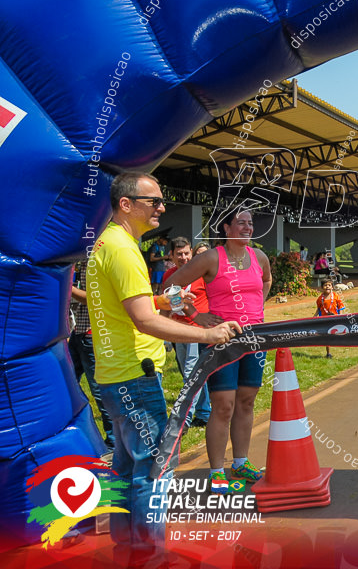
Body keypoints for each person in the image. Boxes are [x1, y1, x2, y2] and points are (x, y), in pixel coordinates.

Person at [88, 173, 241, 566]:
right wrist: (209, 335)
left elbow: (134, 305)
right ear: (126, 204)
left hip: (113, 376)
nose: (161, 207)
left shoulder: (108, 243)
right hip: (135, 378)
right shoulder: (123, 249)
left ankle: (130, 551)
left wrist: (165, 300)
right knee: (155, 470)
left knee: (126, 471)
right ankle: (152, 556)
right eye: (153, 201)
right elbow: (144, 321)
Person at [165, 208, 272, 490]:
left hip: (254, 340)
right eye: (241, 223)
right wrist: (194, 316)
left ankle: (240, 462)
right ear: (226, 227)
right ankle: (216, 471)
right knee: (223, 406)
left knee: (247, 402)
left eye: (250, 223)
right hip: (221, 343)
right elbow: (169, 287)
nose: (248, 228)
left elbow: (267, 281)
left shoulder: (259, 257)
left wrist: (257, 309)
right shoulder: (212, 257)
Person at [164, 236, 218, 429]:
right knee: (192, 373)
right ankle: (204, 413)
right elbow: (167, 301)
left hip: (197, 331)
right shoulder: (170, 275)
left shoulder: (201, 275)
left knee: (191, 374)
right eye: (179, 254)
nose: (184, 257)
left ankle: (184, 420)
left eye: (187, 253)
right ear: (171, 255)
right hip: (178, 330)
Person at [68, 260, 114, 455]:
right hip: (80, 331)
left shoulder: (96, 262)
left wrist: (65, 287)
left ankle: (113, 441)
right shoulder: (83, 263)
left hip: (90, 333)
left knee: (99, 389)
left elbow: (91, 298)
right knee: (67, 382)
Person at [315, 281, 347, 358]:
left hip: (335, 318)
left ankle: (343, 347)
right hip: (325, 320)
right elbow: (318, 308)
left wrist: (340, 316)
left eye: (329, 285)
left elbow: (340, 306)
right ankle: (328, 353)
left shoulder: (336, 296)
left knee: (338, 333)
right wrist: (315, 316)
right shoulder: (320, 299)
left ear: (332, 287)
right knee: (327, 335)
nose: (327, 287)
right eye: (325, 285)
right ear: (322, 287)